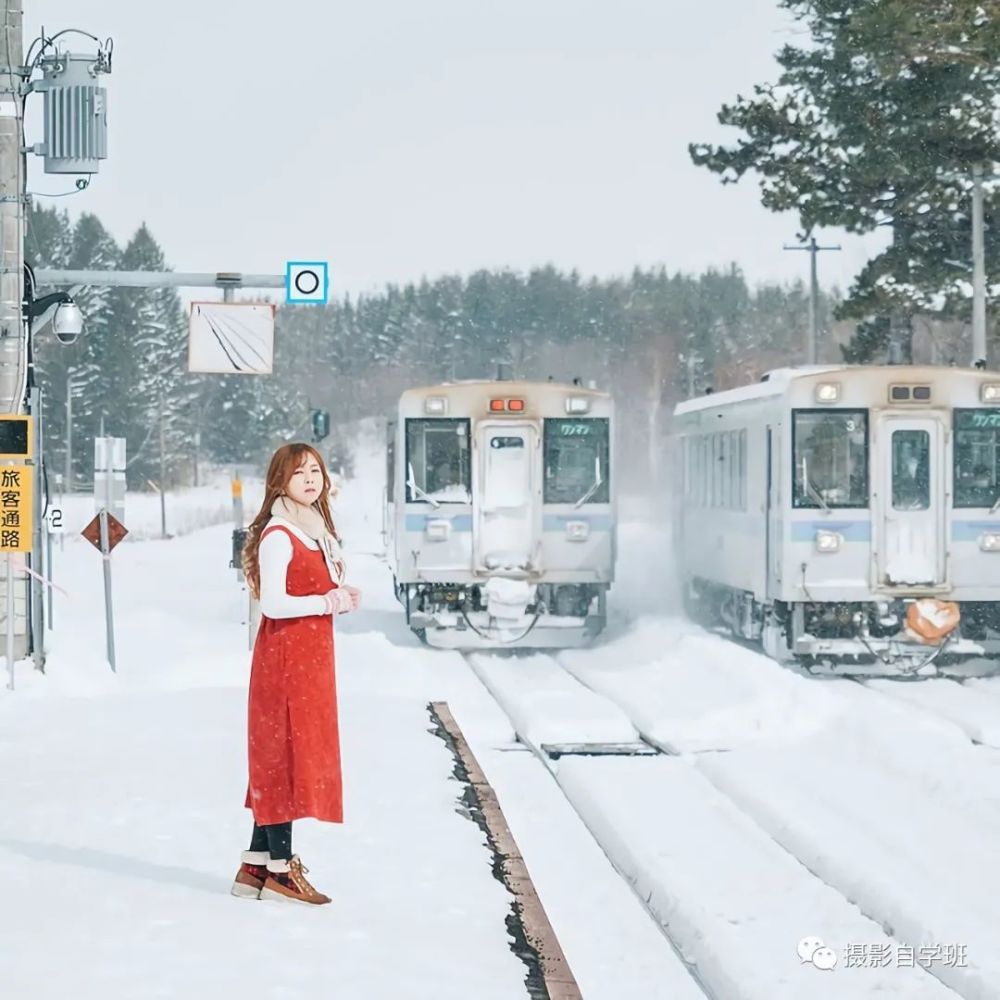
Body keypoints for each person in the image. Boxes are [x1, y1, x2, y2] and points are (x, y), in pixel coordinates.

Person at [232, 443, 360, 905]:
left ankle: (255, 866)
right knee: (282, 755)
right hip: (286, 660)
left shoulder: (313, 530)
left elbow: (310, 590)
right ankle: (282, 871)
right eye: (299, 472)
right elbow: (273, 603)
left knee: (287, 754)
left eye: (316, 471)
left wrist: (339, 595)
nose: (310, 479)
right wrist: (328, 602)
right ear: (279, 482)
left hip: (308, 660)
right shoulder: (280, 535)